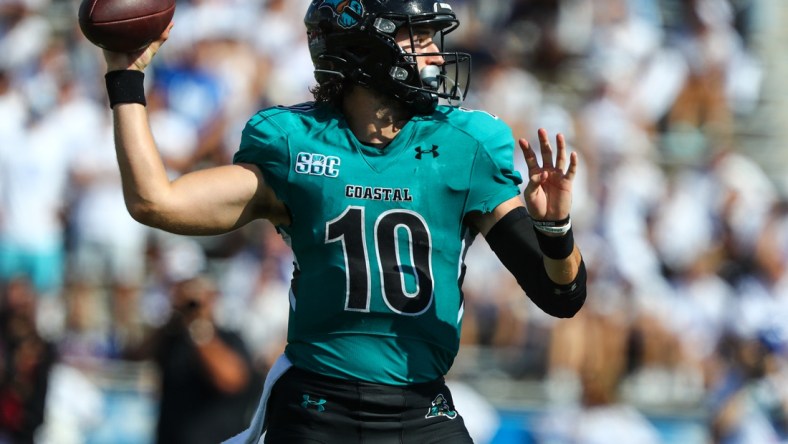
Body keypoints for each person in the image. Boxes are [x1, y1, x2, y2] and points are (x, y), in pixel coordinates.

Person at [98, 1, 587, 442]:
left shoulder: (466, 145)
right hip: (315, 412)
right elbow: (155, 201)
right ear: (362, 43)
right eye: (416, 38)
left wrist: (554, 231)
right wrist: (125, 78)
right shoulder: (295, 141)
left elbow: (560, 294)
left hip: (421, 412)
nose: (436, 56)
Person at [123, 274, 257, 444]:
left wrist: (199, 326)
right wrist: (172, 317)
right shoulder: (172, 338)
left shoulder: (229, 338)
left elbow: (231, 381)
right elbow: (136, 355)